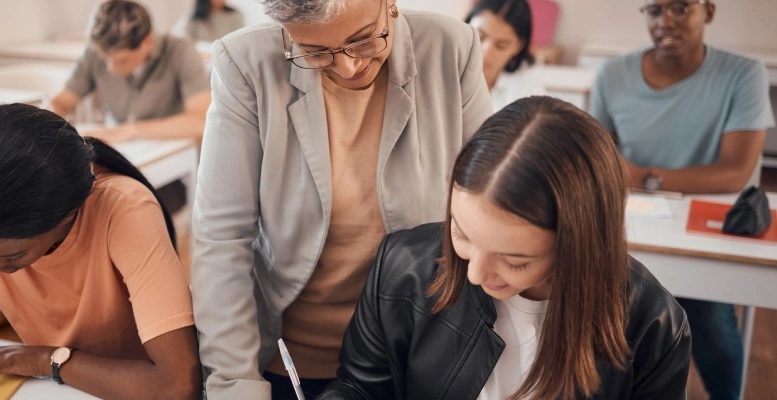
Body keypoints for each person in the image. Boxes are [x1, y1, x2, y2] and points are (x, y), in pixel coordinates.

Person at [190, 0, 493, 397]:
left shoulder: (451, 48)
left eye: (364, 40)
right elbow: (223, 239)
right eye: (314, 53)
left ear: (391, 5)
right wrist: (235, 382)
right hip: (292, 361)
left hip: (422, 350)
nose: (349, 65)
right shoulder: (246, 63)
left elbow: (489, 205)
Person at [318, 96, 692, 400]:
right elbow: (361, 387)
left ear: (579, 247)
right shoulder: (403, 268)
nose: (476, 273)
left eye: (514, 261)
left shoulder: (653, 324)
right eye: (462, 234)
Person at [0, 104, 201, 399]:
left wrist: (46, 360)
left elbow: (176, 385)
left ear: (67, 214)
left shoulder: (123, 210)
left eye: (14, 256)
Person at [589, 1, 774, 398]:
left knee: (708, 319)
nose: (665, 20)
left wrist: (641, 175)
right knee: (614, 314)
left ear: (708, 11)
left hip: (706, 225)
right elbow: (598, 160)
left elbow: (734, 172)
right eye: (654, 10)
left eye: (679, 7)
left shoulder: (744, 74)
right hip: (636, 222)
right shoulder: (612, 73)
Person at [50, 0, 211, 143]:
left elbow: (200, 121)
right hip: (119, 149)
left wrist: (132, 130)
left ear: (147, 41)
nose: (110, 68)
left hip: (171, 154)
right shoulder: (94, 53)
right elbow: (60, 102)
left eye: (121, 60)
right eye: (105, 59)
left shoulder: (181, 52)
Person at [465, 0, 545, 111]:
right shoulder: (441, 69)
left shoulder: (527, 86)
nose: (486, 52)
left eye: (501, 45)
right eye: (479, 36)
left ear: (518, 47)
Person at [172, 0, 246, 43]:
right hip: (202, 60)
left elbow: (240, 41)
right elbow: (186, 41)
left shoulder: (235, 16)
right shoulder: (193, 20)